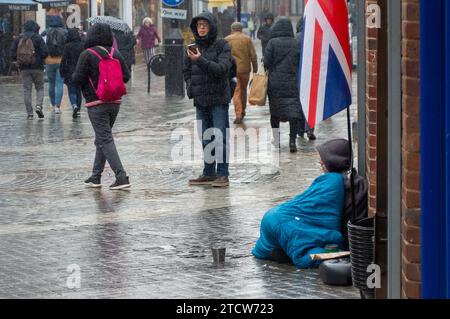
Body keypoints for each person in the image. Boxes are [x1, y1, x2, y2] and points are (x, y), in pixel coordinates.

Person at [252, 139, 351, 269]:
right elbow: (318, 211)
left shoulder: (332, 180)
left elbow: (319, 209)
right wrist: (342, 253)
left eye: (323, 160)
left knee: (269, 246)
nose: (320, 163)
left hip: (278, 219)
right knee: (302, 254)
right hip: (281, 222)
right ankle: (276, 250)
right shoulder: (332, 180)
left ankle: (276, 250)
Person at [72, 23, 131, 190]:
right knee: (102, 139)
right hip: (115, 102)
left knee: (104, 139)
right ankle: (96, 176)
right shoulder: (115, 53)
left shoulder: (87, 54)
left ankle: (121, 176)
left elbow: (77, 79)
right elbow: (126, 76)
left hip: (96, 103)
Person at [183, 12, 234, 188]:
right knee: (206, 138)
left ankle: (222, 174)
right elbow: (186, 71)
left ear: (211, 26)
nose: (202, 28)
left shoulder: (222, 45)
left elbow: (222, 69)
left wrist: (200, 60)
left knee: (220, 137)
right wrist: (190, 87)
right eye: (199, 25)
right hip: (201, 100)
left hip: (218, 99)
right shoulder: (192, 46)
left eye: (205, 25)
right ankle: (208, 172)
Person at [264, 17, 305, 153]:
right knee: (294, 113)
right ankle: (292, 140)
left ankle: (276, 140)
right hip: (292, 82)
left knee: (275, 112)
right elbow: (301, 63)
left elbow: (267, 63)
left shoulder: (272, 43)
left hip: (275, 83)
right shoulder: (296, 43)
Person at [10, 20, 48, 119]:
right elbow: (45, 52)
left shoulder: (18, 38)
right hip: (38, 67)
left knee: (27, 90)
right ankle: (39, 106)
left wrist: (20, 60)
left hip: (24, 68)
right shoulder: (38, 38)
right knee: (40, 88)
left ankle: (30, 114)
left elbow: (13, 54)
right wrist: (38, 57)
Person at [225, 22, 257, 124]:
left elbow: (224, 55)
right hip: (245, 70)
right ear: (241, 29)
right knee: (243, 90)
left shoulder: (227, 39)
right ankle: (243, 111)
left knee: (236, 91)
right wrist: (255, 69)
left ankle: (238, 114)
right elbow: (253, 56)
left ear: (232, 29)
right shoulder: (247, 39)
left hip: (233, 70)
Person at [296, 17, 316, 141]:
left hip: (299, 75)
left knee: (300, 103)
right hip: (312, 74)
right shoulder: (314, 36)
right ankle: (310, 128)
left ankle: (300, 129)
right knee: (310, 103)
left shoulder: (296, 37)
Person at [60, 28, 84, 119]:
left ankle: (74, 105)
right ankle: (78, 110)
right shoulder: (82, 45)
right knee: (78, 91)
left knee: (71, 90)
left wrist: (62, 71)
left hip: (69, 71)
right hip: (80, 71)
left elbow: (64, 60)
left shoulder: (67, 46)